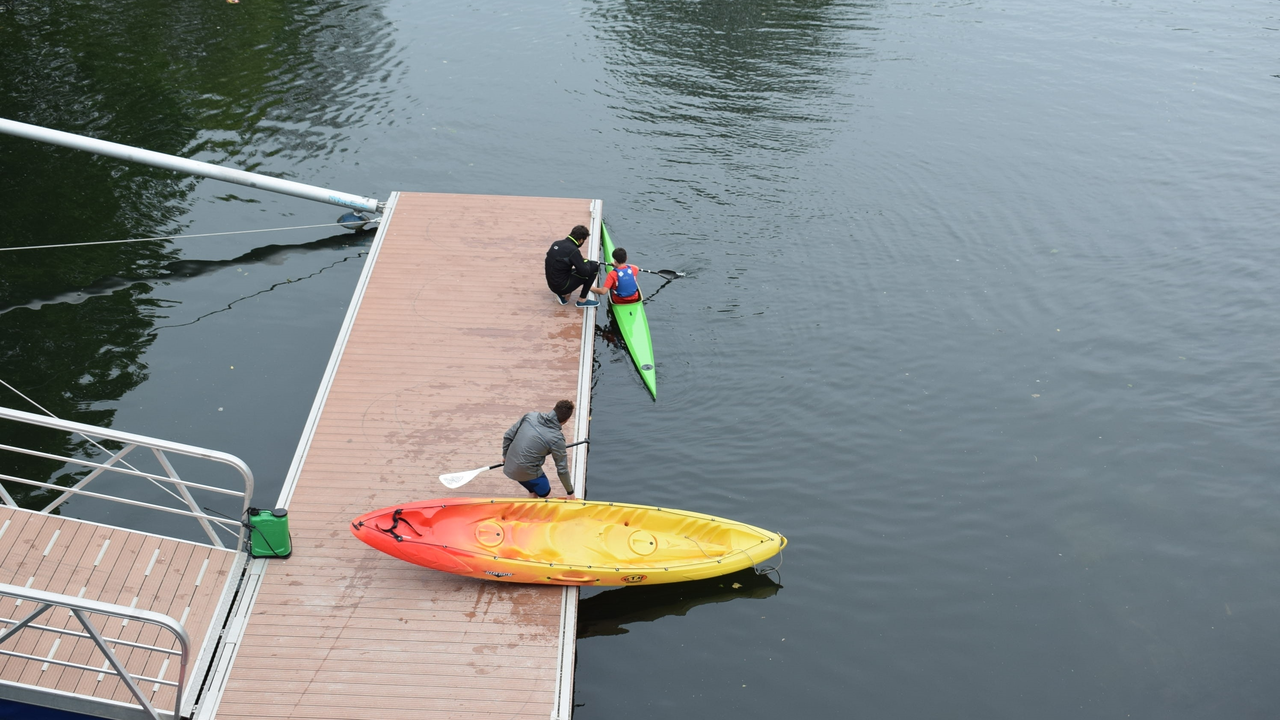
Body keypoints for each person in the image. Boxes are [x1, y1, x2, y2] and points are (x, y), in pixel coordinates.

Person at [501, 399, 576, 498]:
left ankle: (530, 509)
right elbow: (562, 469)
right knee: (547, 497)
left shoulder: (530, 416)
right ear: (566, 420)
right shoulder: (557, 439)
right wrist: (570, 492)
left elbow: (508, 436)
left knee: (533, 490)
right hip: (528, 472)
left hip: (509, 467)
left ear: (553, 409)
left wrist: (505, 455)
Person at [545, 225, 600, 308]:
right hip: (561, 287)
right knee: (594, 266)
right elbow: (584, 272)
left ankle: (564, 296)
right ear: (581, 240)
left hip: (551, 285)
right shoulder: (573, 250)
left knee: (562, 268)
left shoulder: (556, 243)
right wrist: (586, 261)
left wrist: (579, 260)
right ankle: (582, 300)